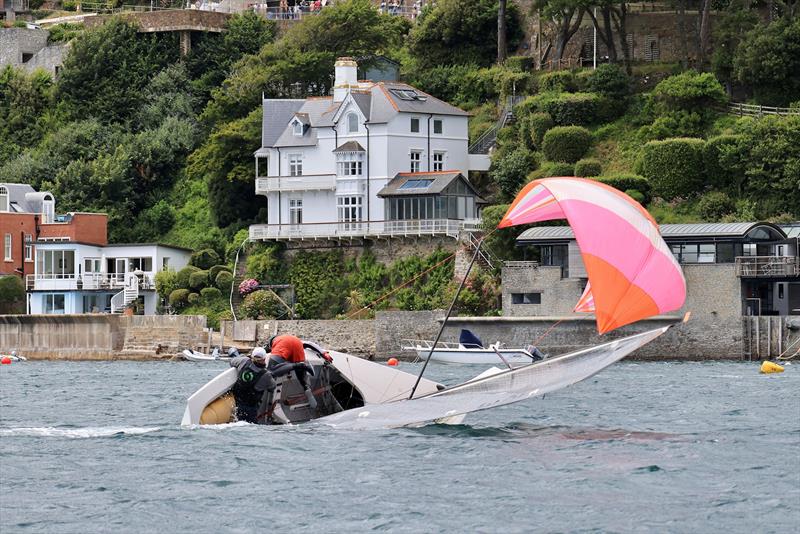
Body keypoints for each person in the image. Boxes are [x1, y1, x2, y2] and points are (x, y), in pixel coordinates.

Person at [229, 347, 272, 423]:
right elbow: (272, 387)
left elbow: (232, 362)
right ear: (264, 359)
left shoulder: (244, 361)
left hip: (235, 401)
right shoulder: (266, 374)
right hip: (250, 408)